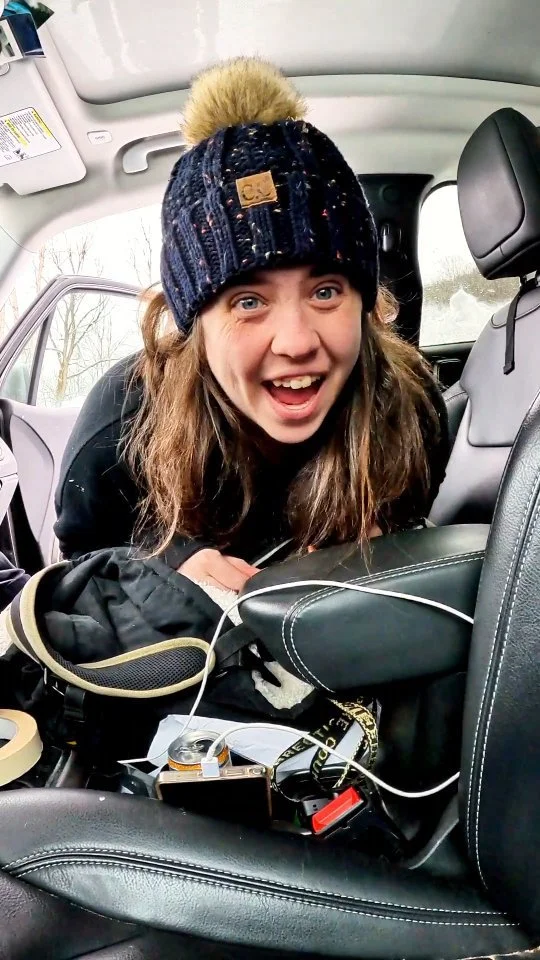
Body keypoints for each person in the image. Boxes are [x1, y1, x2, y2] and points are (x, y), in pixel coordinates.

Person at [54, 57, 449, 594]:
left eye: (326, 291)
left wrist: (390, 546)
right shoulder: (121, 424)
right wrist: (163, 571)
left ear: (364, 302)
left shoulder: (410, 403)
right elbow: (80, 569)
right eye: (247, 301)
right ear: (196, 323)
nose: (296, 342)